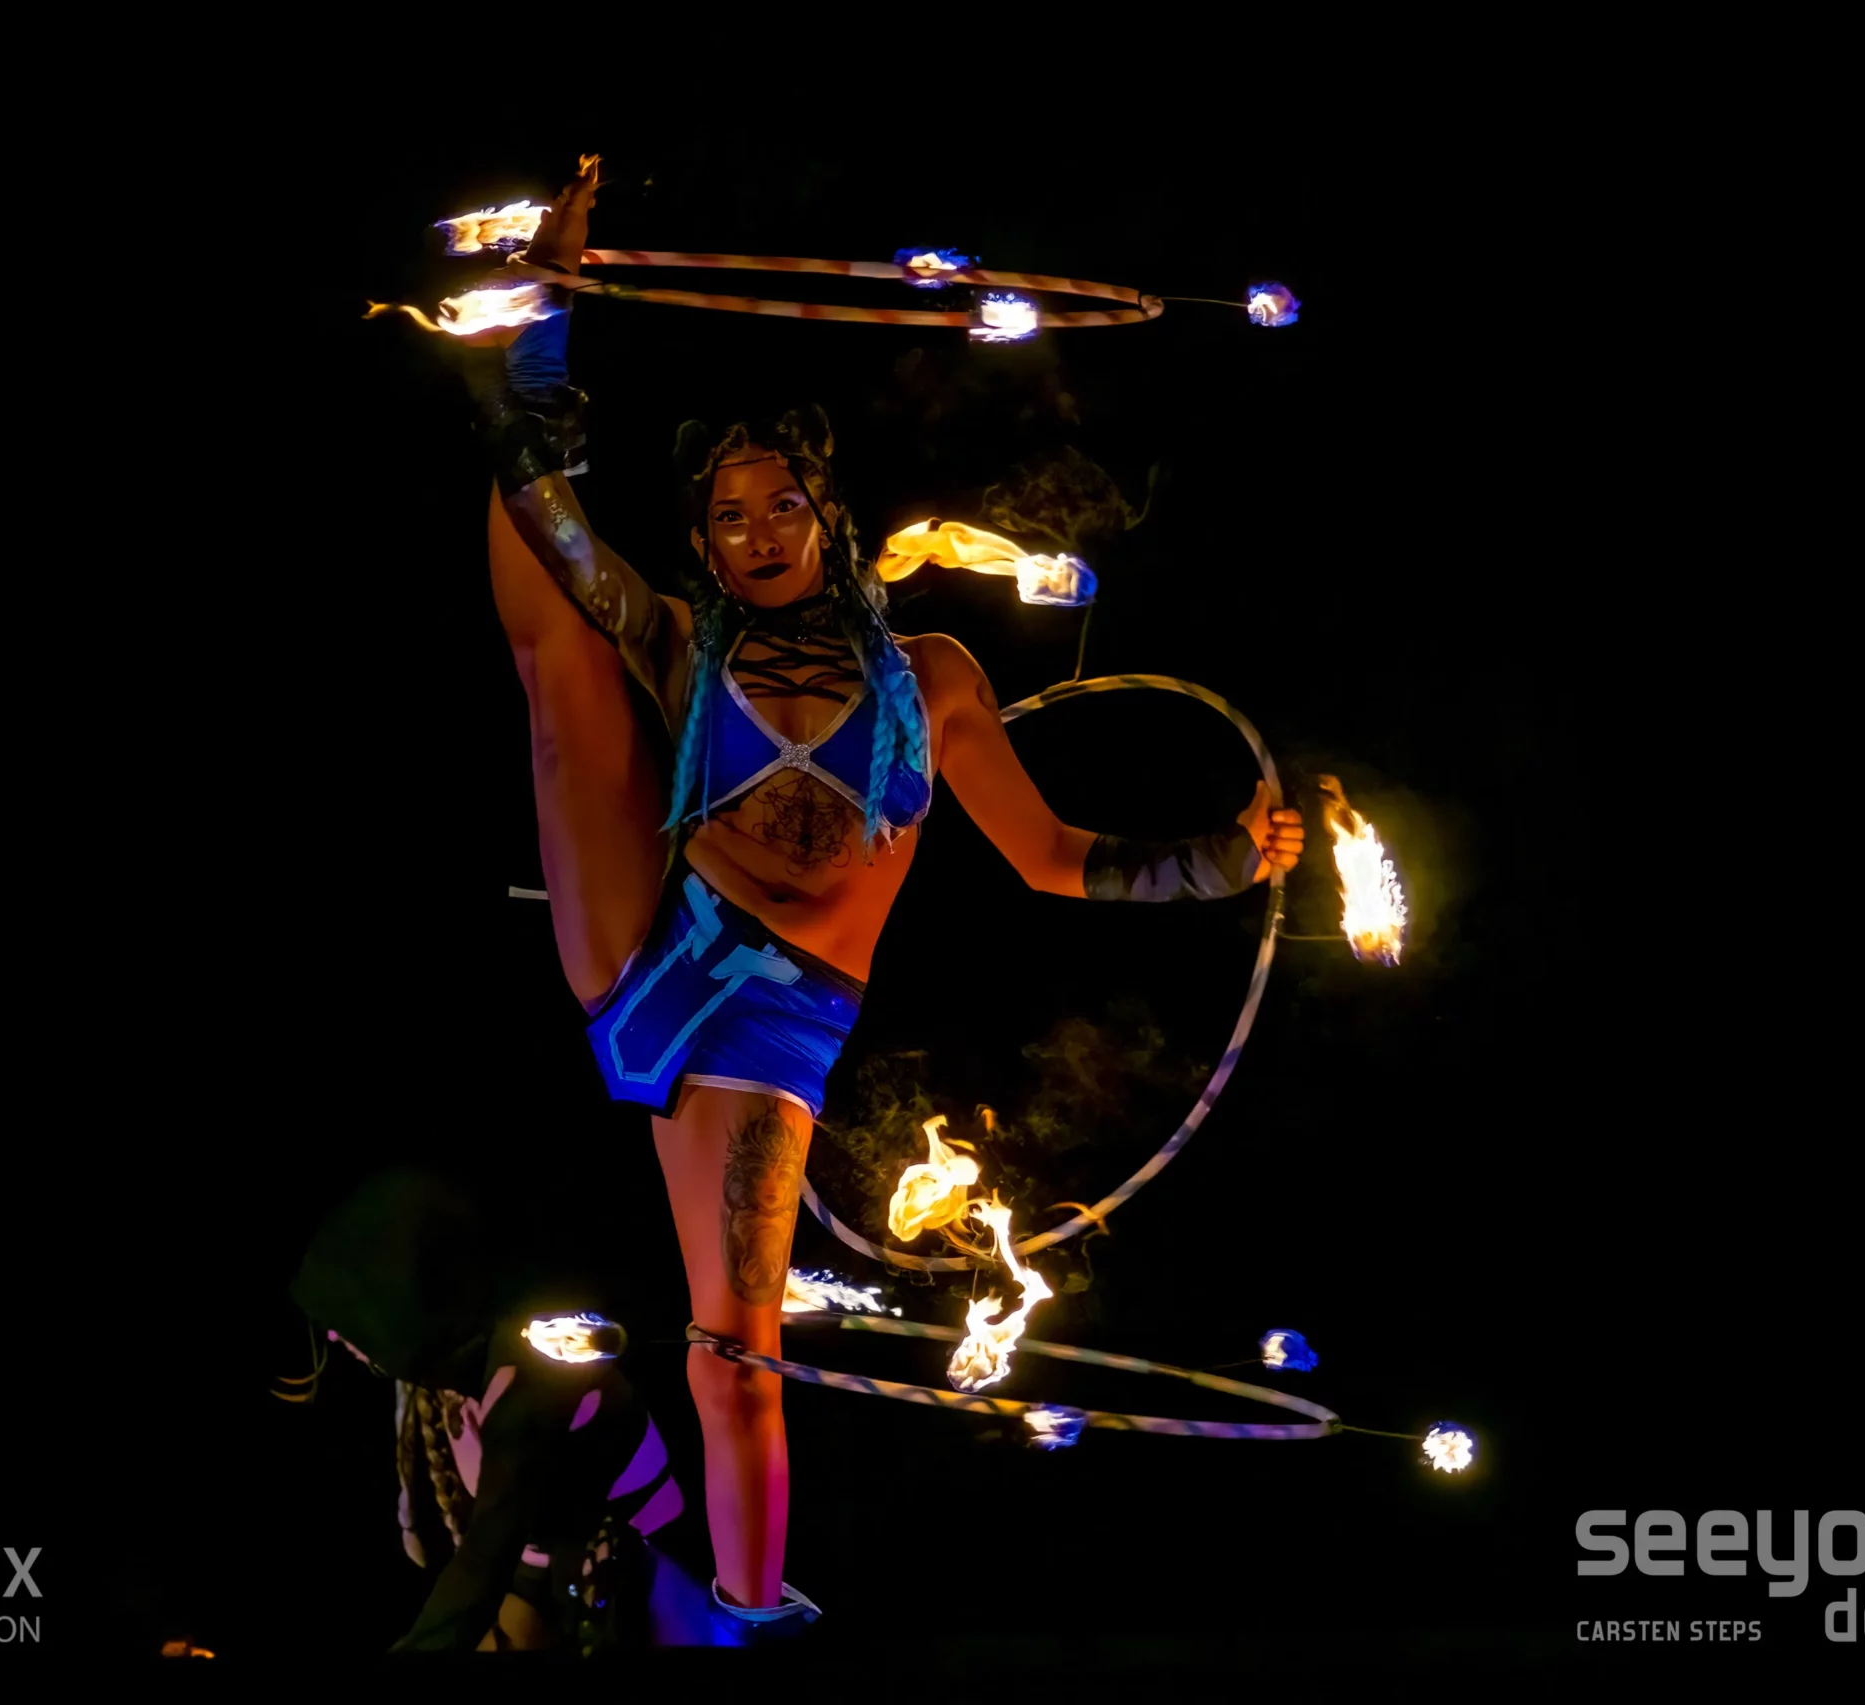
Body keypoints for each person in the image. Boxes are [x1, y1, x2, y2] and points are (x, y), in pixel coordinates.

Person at [465, 157, 1304, 1640]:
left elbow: (1052, 858)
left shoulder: (935, 677)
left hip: (777, 1016)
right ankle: (541, 310)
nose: (756, 530)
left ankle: (749, 1617)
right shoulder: (686, 637)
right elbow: (552, 520)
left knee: (735, 1347)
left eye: (779, 502)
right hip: (658, 934)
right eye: (728, 515)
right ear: (706, 541)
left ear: (825, 509)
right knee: (558, 652)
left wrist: (1224, 859)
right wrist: (549, 302)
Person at [289, 1166, 730, 1653]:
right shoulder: (452, 1384)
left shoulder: (531, 1382)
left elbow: (483, 1565)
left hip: (641, 1583)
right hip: (551, 1572)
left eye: (353, 1310)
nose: (335, 1335)